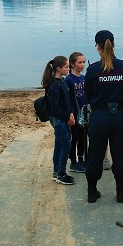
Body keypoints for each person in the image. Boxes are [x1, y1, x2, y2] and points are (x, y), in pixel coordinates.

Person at [84, 30, 123, 203]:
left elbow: (88, 95)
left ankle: (92, 192)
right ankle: (121, 192)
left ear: (97, 46)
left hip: (99, 116)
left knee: (95, 155)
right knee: (120, 155)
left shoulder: (92, 70)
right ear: (113, 44)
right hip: (120, 116)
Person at [41, 56, 75, 185]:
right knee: (66, 144)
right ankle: (61, 173)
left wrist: (70, 112)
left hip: (63, 117)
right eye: (66, 67)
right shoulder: (54, 85)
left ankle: (57, 172)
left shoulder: (62, 81)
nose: (68, 69)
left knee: (60, 144)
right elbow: (55, 108)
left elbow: (66, 100)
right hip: (58, 119)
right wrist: (67, 118)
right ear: (59, 69)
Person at [65, 52, 87, 173]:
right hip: (74, 113)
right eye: (80, 62)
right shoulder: (69, 79)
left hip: (84, 113)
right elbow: (67, 98)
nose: (82, 64)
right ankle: (73, 162)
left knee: (83, 138)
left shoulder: (83, 78)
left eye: (84, 62)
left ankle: (81, 159)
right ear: (72, 64)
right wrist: (70, 113)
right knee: (75, 138)